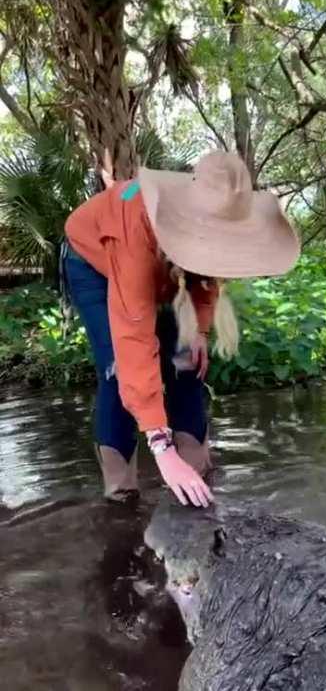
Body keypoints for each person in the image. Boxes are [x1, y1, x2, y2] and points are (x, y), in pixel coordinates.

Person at [62, 151, 299, 508]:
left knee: (186, 360)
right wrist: (162, 447)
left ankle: (196, 473)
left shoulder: (215, 216)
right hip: (94, 264)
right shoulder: (134, 224)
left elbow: (206, 277)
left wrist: (200, 332)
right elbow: (134, 336)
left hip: (163, 265)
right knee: (118, 369)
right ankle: (121, 494)